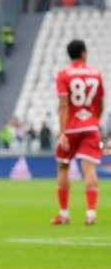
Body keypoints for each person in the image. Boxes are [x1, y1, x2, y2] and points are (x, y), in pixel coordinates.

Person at [51, 40, 103, 226]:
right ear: (83, 53)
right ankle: (91, 214)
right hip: (90, 126)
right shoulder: (96, 73)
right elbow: (100, 103)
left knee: (63, 167)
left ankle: (64, 214)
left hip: (71, 127)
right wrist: (94, 121)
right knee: (89, 169)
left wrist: (62, 132)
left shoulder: (63, 75)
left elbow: (63, 105)